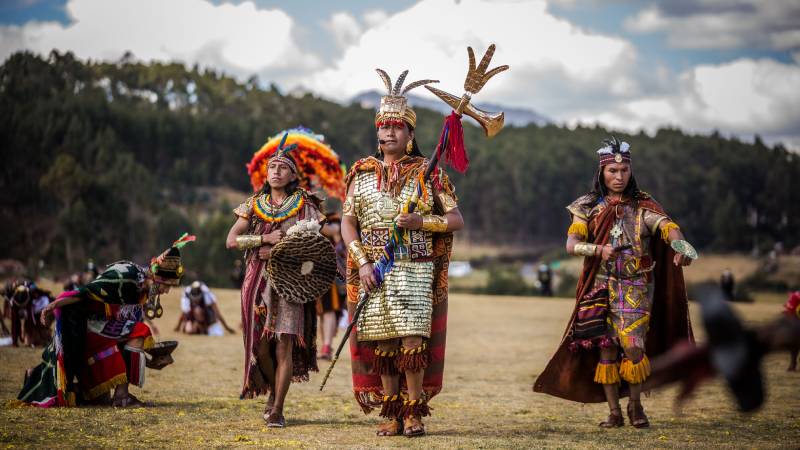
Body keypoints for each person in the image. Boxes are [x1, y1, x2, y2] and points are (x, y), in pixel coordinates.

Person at [534, 137, 694, 428]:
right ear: (601, 173)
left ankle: (635, 406)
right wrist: (598, 249)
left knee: (634, 348)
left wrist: (682, 249)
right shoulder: (586, 206)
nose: (618, 177)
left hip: (635, 288)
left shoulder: (644, 205)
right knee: (605, 349)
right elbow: (572, 244)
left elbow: (670, 228)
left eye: (624, 171)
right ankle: (613, 413)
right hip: (598, 287)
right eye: (612, 172)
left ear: (630, 172)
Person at [341, 69, 463, 437]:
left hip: (414, 267)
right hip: (374, 269)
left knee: (412, 341)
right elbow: (349, 224)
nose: (389, 132)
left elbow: (455, 220)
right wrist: (361, 262)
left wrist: (421, 224)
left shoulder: (431, 176)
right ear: (377, 132)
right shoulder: (360, 175)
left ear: (410, 135)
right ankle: (390, 411)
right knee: (384, 343)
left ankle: (414, 413)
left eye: (397, 126)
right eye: (384, 126)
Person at [226, 129, 344, 428]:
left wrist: (282, 248)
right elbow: (231, 241)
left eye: (282, 167)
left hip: (292, 282)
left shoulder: (306, 204)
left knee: (284, 346)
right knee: (259, 346)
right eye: (272, 167)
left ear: (293, 175)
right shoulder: (253, 203)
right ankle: (269, 391)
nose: (275, 171)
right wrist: (263, 241)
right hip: (257, 280)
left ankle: (277, 407)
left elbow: (317, 241)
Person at [17, 235, 193, 408]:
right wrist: (52, 306)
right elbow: (85, 292)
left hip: (101, 328)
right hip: (85, 325)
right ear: (156, 278)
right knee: (141, 331)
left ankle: (36, 376)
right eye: (167, 285)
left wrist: (151, 360)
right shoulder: (126, 276)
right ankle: (122, 397)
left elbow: (129, 345)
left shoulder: (140, 290)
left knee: (99, 399)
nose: (167, 291)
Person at [316, 213, 347, 360]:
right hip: (311, 272)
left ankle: (326, 346)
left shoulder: (332, 217)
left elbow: (332, 230)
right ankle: (324, 345)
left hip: (330, 272)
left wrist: (309, 220)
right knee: (321, 313)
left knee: (328, 311)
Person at [783, 291, 800, 371]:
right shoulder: (796, 295)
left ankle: (793, 364)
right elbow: (789, 310)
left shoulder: (796, 295)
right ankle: (793, 364)